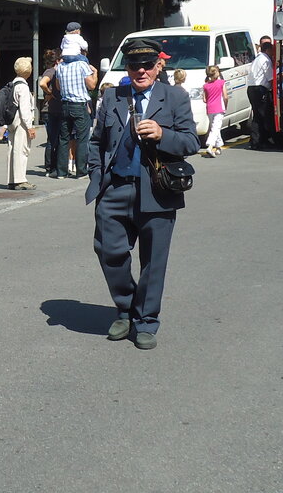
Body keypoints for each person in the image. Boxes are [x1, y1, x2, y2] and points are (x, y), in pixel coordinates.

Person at [85, 39, 199, 348]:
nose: (141, 71)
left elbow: (191, 142)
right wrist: (96, 173)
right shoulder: (112, 96)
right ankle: (126, 307)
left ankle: (146, 320)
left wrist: (163, 134)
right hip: (115, 188)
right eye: (134, 65)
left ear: (159, 66)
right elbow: (96, 140)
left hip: (157, 190)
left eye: (148, 65)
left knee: (154, 260)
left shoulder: (175, 97)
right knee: (109, 251)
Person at [53, 50, 98, 177]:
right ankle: (81, 171)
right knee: (82, 139)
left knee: (63, 139)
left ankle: (61, 172)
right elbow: (92, 85)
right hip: (79, 105)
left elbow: (58, 86)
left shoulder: (60, 66)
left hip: (65, 105)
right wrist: (95, 73)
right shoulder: (82, 64)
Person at [247, 41, 283, 150]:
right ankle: (279, 142)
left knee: (258, 117)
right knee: (269, 117)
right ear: (268, 50)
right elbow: (271, 78)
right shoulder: (265, 60)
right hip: (260, 89)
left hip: (252, 88)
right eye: (271, 50)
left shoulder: (257, 59)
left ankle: (257, 141)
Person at [7, 57, 37, 190]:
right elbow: (25, 110)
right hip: (21, 123)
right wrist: (30, 127)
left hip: (12, 121)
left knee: (13, 149)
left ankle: (12, 179)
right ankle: (20, 180)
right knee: (22, 150)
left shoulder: (12, 84)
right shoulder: (23, 87)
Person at [39, 49, 62, 175]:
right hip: (50, 110)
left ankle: (51, 166)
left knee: (52, 139)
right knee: (53, 139)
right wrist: (50, 93)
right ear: (57, 61)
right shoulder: (51, 71)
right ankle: (50, 167)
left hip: (50, 109)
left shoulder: (51, 70)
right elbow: (42, 83)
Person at [202, 64, 228, 157]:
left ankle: (218, 147)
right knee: (215, 128)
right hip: (219, 108)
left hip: (210, 109)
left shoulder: (205, 86)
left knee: (215, 127)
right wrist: (225, 105)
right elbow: (225, 96)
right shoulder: (221, 83)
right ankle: (210, 146)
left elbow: (204, 99)